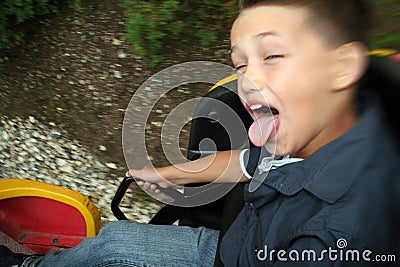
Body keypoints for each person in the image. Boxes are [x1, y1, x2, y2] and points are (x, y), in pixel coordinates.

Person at [2, 0, 399, 266]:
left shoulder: (338, 237)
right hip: (238, 241)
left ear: (341, 67)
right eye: (240, 66)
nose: (247, 82)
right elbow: (247, 163)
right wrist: (165, 172)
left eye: (273, 55)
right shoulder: (316, 129)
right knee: (112, 243)